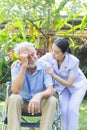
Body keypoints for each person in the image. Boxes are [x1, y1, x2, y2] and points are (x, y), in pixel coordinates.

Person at [7, 42, 58, 130]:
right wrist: (24, 66)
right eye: (27, 57)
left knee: (52, 100)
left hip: (39, 104)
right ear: (20, 58)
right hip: (22, 104)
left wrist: (38, 95)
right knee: (14, 98)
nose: (31, 58)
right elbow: (15, 90)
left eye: (33, 54)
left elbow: (51, 90)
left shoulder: (44, 66)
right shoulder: (17, 67)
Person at [40, 38, 87, 130]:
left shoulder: (74, 61)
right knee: (64, 110)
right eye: (52, 50)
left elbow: (69, 83)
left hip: (77, 87)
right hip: (63, 88)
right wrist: (20, 62)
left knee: (72, 109)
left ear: (65, 53)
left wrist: (53, 75)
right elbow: (36, 63)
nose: (53, 53)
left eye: (57, 52)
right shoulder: (49, 57)